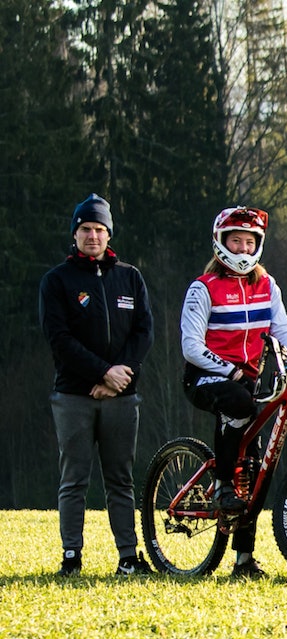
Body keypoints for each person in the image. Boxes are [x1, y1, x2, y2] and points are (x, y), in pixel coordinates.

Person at [180, 206, 287, 580]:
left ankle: (244, 560)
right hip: (205, 378)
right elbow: (191, 346)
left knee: (255, 468)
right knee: (238, 405)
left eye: (249, 242)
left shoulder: (266, 285)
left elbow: (282, 328)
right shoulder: (203, 288)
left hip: (246, 382)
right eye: (236, 240)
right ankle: (222, 483)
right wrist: (230, 370)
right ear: (221, 242)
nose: (243, 248)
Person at [39, 193, 154, 577]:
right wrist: (103, 372)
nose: (93, 236)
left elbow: (144, 333)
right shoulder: (57, 281)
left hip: (122, 396)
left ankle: (128, 558)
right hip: (74, 395)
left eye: (99, 229)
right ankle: (71, 557)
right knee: (74, 479)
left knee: (121, 480)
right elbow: (59, 339)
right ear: (75, 234)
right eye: (86, 229)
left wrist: (120, 376)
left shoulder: (130, 277)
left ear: (109, 234)